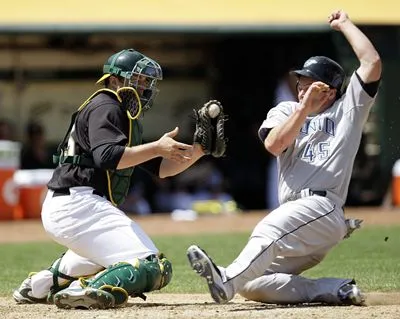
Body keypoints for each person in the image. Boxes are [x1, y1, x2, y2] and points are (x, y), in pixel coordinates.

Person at [187, 10, 381, 306]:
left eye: (309, 82)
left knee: (269, 228)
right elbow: (275, 145)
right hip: (296, 213)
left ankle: (224, 280)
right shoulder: (285, 110)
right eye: (300, 80)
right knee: (252, 284)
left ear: (328, 91)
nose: (301, 85)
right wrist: (304, 108)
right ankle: (337, 288)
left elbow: (372, 63)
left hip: (323, 206)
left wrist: (345, 25)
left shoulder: (347, 111)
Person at [13, 48, 224, 309]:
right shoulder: (107, 104)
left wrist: (199, 150)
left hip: (75, 206)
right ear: (115, 80)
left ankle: (42, 284)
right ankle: (86, 289)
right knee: (153, 265)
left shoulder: (119, 113)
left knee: (110, 258)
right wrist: (157, 147)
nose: (145, 86)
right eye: (140, 79)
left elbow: (161, 168)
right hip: (80, 205)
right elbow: (108, 157)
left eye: (148, 81)